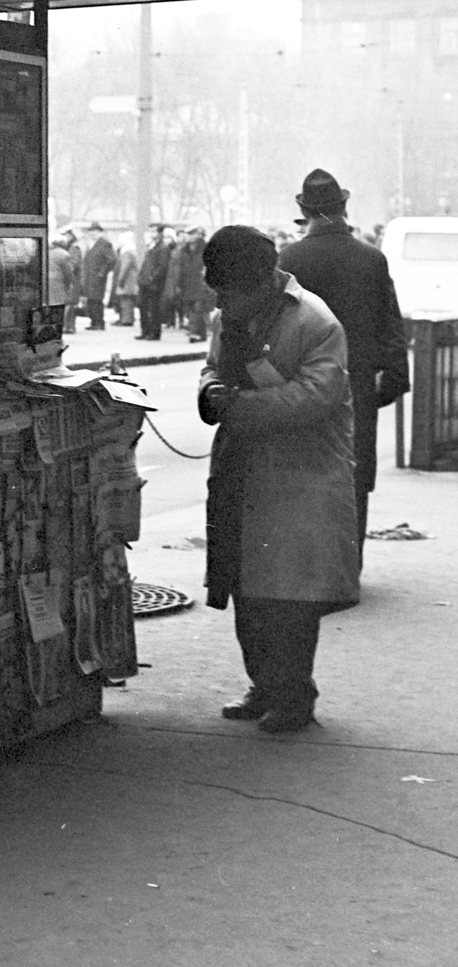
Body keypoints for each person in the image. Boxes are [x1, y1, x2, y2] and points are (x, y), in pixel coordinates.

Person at [198, 225, 359, 733]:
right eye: (217, 293)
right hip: (241, 470)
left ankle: (294, 696)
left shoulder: (315, 322)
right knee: (246, 590)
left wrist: (241, 403)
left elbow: (315, 397)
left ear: (264, 282)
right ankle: (263, 686)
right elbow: (210, 369)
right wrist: (211, 393)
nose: (221, 303)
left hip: (299, 478)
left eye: (229, 293)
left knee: (289, 596)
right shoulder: (226, 317)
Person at [278, 169, 409, 561]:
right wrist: (392, 380)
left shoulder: (290, 259)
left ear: (306, 212)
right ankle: (350, 563)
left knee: (305, 473)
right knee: (354, 475)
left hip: (302, 387)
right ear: (343, 208)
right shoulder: (371, 259)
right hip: (357, 386)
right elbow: (391, 325)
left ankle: (309, 562)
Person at [136, 224, 171, 340]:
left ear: (160, 233)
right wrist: (141, 277)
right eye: (150, 231)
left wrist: (152, 277)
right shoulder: (151, 246)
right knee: (143, 307)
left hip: (154, 283)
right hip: (145, 282)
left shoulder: (163, 247)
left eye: (154, 231)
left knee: (153, 308)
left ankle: (154, 332)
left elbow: (162, 266)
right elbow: (145, 264)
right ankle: (145, 331)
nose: (152, 234)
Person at [80, 222, 115, 330]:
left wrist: (102, 273)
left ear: (100, 232)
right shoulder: (91, 243)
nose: (91, 233)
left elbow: (111, 259)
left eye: (94, 231)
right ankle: (94, 322)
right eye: (90, 231)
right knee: (91, 300)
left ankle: (99, 323)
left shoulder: (104, 243)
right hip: (90, 277)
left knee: (97, 300)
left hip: (97, 278)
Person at [112, 232, 139, 326]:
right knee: (127, 300)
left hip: (127, 280)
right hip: (131, 279)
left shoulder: (127, 252)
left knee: (126, 300)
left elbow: (124, 267)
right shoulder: (132, 250)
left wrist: (120, 280)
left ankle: (126, 320)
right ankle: (126, 318)